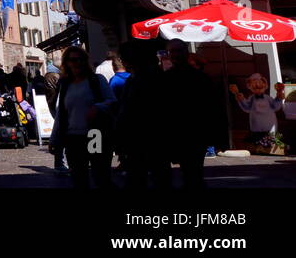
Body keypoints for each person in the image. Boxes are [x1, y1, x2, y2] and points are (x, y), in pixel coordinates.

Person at [52, 46, 116, 189]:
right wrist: (54, 138)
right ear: (67, 62)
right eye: (73, 60)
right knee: (78, 177)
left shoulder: (96, 80)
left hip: (95, 134)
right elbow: (61, 113)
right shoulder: (65, 84)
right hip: (73, 137)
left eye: (81, 59)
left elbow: (111, 101)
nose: (77, 63)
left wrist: (98, 107)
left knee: (100, 174)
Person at [162, 39, 215, 188]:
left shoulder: (199, 78)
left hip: (195, 131)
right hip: (177, 132)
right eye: (171, 52)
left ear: (186, 53)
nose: (174, 55)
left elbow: (210, 106)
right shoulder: (165, 78)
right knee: (190, 172)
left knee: (193, 172)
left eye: (177, 51)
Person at [114, 40, 166, 189]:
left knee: (145, 177)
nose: (122, 61)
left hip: (145, 138)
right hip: (139, 139)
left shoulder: (146, 78)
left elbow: (137, 109)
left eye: (123, 57)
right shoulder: (136, 77)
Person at [231, 73, 286, 145]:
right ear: (250, 87)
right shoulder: (252, 99)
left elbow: (275, 106)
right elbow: (246, 107)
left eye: (260, 86)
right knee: (257, 145)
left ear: (265, 86)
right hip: (256, 129)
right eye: (255, 87)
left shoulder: (267, 98)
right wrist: (238, 96)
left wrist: (279, 97)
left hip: (269, 128)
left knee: (269, 144)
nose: (258, 88)